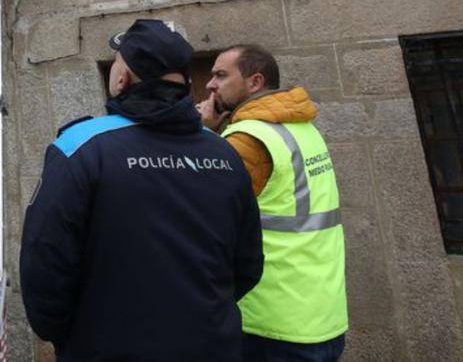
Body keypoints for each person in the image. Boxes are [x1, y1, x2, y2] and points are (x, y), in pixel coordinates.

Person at [20, 19, 263, 360]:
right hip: (212, 346)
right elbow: (248, 263)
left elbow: (44, 262)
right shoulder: (223, 152)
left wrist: (72, 334)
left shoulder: (80, 146)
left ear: (121, 79)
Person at [198, 45, 348, 362]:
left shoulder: (248, 140)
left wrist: (201, 136)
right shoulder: (301, 128)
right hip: (321, 314)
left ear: (255, 82)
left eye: (221, 75)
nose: (210, 85)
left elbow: (201, 213)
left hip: (271, 324)